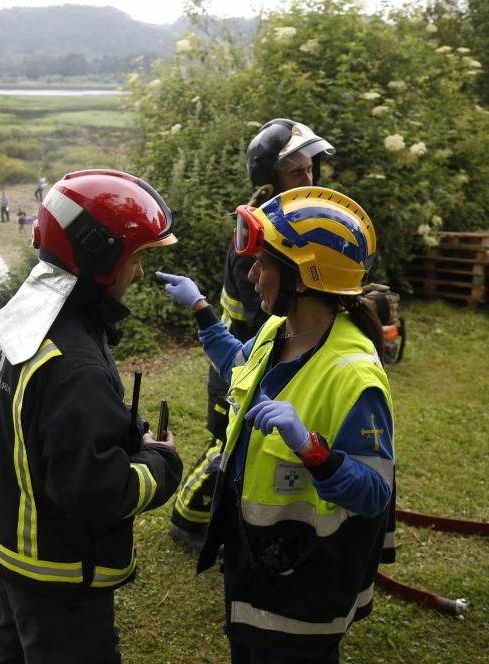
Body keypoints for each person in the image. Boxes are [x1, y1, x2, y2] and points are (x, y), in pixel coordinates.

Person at [156, 185, 395, 663]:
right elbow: (238, 368)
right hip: (257, 561)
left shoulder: (353, 376)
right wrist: (202, 310)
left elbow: (374, 494)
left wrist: (312, 448)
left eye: (262, 263)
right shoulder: (276, 330)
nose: (250, 273)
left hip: (307, 581)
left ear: (303, 278)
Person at [0, 169, 184, 663]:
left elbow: (37, 424)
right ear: (101, 257)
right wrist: (162, 464)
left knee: (7, 650)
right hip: (60, 574)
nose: (138, 273)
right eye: (136, 259)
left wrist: (117, 428)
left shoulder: (19, 319)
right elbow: (96, 493)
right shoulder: (79, 369)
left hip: (15, 551)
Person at [169, 119, 337, 552]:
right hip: (239, 360)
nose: (308, 178)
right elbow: (274, 310)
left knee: (240, 443)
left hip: (257, 358)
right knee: (226, 444)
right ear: (269, 178)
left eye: (310, 169)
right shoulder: (259, 236)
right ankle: (186, 520)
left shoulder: (294, 227)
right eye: (296, 171)